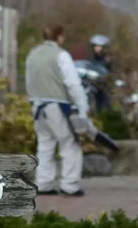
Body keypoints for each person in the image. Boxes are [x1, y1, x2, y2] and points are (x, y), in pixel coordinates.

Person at [26, 24, 91, 197]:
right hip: (56, 106)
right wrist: (83, 107)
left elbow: (28, 81)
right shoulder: (61, 55)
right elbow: (73, 83)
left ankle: (43, 183)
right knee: (70, 144)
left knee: (45, 145)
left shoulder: (32, 55)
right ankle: (70, 185)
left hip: (37, 106)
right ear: (59, 37)